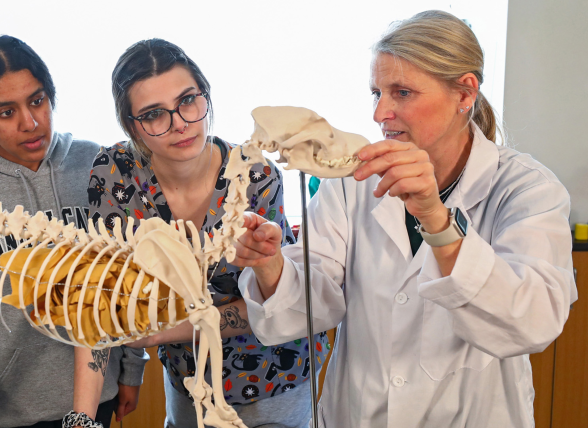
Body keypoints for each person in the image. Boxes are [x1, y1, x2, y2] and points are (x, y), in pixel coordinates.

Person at [234, 10, 577, 427]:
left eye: (402, 93)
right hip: (358, 414)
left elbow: (532, 322)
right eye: (376, 92)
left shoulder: (526, 189)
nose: (380, 113)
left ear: (465, 93)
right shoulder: (352, 182)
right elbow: (313, 302)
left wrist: (435, 218)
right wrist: (270, 265)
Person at [0, 35, 146, 428]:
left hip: (99, 396)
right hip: (4, 413)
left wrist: (131, 368)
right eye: (6, 112)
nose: (31, 122)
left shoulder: (97, 166)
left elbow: (131, 276)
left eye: (37, 101)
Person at [91, 39, 327, 428]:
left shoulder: (256, 175)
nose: (179, 123)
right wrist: (135, 357)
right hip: (187, 380)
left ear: (206, 95)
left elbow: (272, 307)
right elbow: (119, 288)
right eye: (153, 114)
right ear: (131, 125)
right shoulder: (115, 172)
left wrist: (156, 334)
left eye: (188, 100)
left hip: (275, 377)